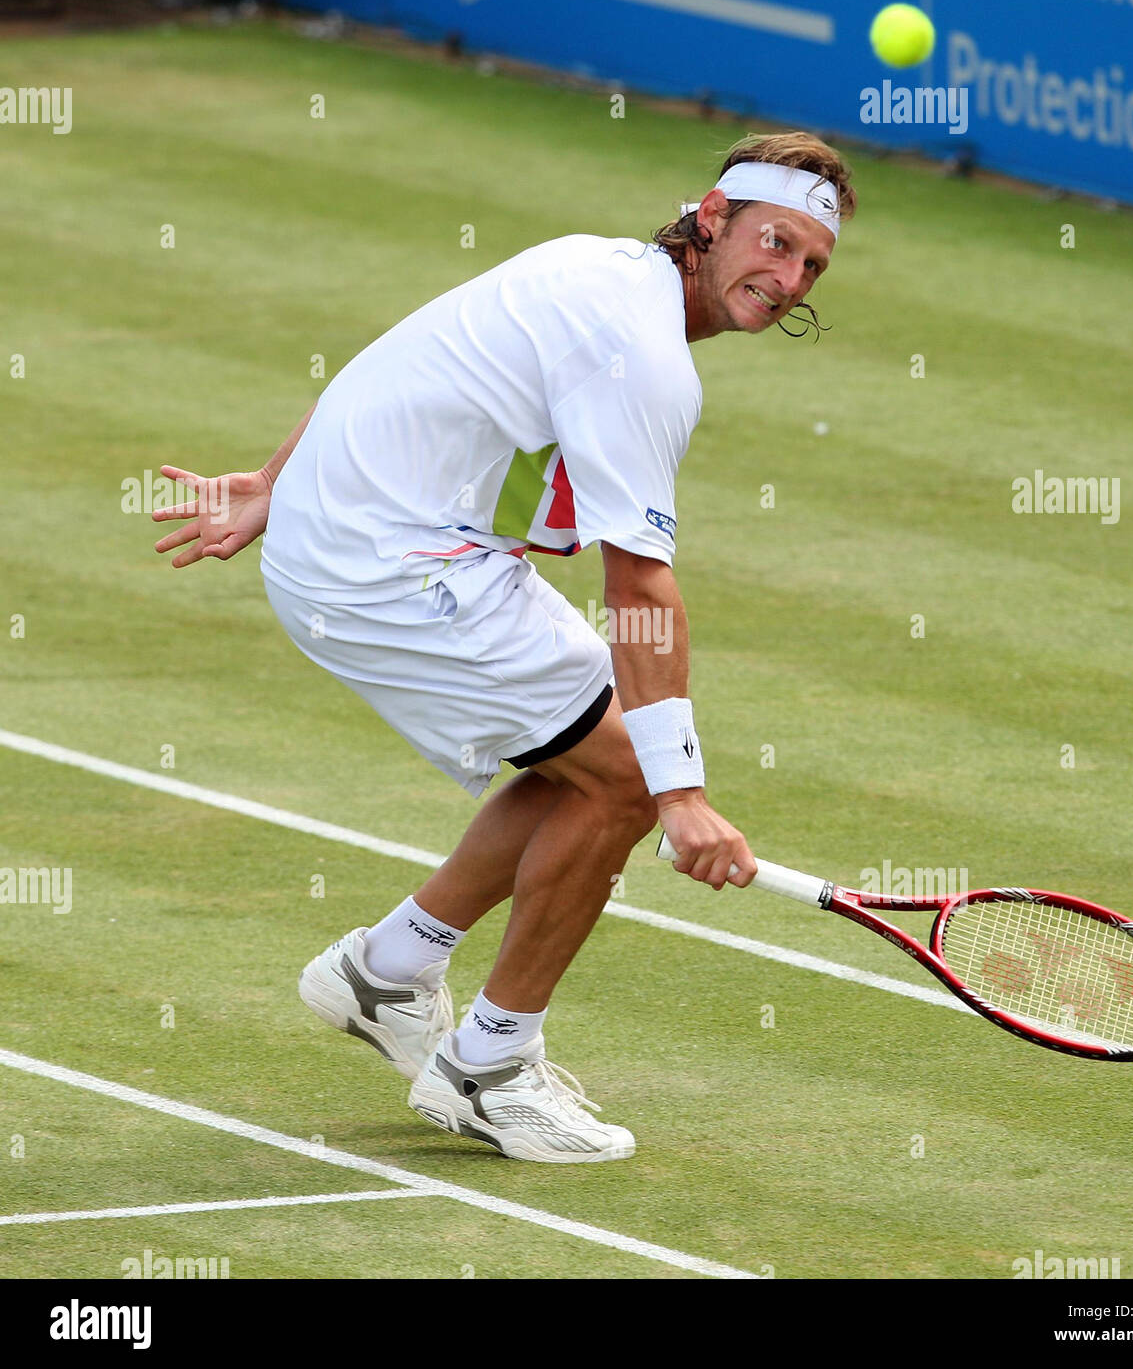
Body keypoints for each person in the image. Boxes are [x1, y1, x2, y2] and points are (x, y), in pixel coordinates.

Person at [153, 131, 855, 1164]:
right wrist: (683, 794)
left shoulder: (592, 263)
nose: (788, 278)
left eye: (810, 266)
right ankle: (488, 1066)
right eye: (776, 243)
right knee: (622, 776)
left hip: (360, 537)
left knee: (589, 754)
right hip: (388, 566)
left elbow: (394, 364)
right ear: (713, 217)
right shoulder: (644, 353)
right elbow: (641, 588)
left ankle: (388, 969)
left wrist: (274, 484)